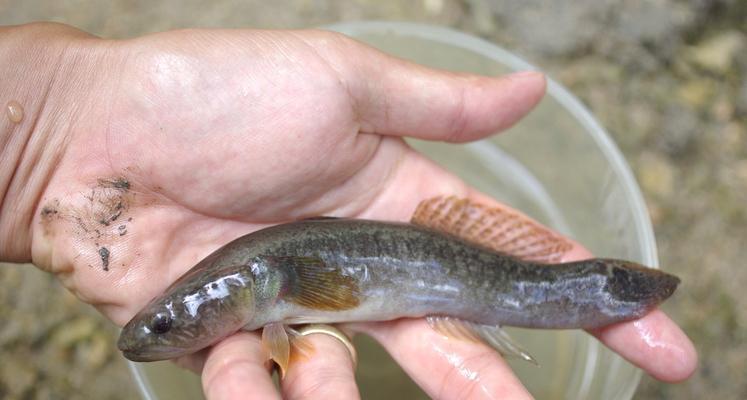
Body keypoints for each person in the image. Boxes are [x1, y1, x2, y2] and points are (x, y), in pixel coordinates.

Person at [0, 22, 696, 399]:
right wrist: (45, 133)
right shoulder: (264, 294)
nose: (158, 332)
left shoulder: (271, 288)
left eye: (169, 320)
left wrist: (53, 119)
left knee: (557, 294)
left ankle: (598, 290)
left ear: (247, 289)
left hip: (445, 267)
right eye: (167, 321)